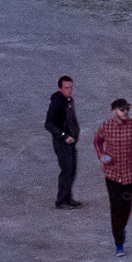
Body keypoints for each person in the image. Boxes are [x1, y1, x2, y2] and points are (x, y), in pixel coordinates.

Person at [92, 98, 132, 257]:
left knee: (126, 208)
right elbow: (97, 141)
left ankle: (121, 227)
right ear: (114, 111)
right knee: (115, 207)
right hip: (112, 175)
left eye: (127, 109)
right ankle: (119, 242)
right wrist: (102, 156)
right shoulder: (106, 126)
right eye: (122, 110)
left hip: (129, 176)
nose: (126, 112)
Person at [44, 75, 83, 209]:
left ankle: (68, 197)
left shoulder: (69, 100)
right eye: (67, 87)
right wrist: (64, 135)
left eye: (71, 87)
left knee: (72, 170)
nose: (70, 90)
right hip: (62, 142)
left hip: (71, 142)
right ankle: (61, 201)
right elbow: (48, 124)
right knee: (66, 170)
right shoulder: (57, 103)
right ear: (60, 88)